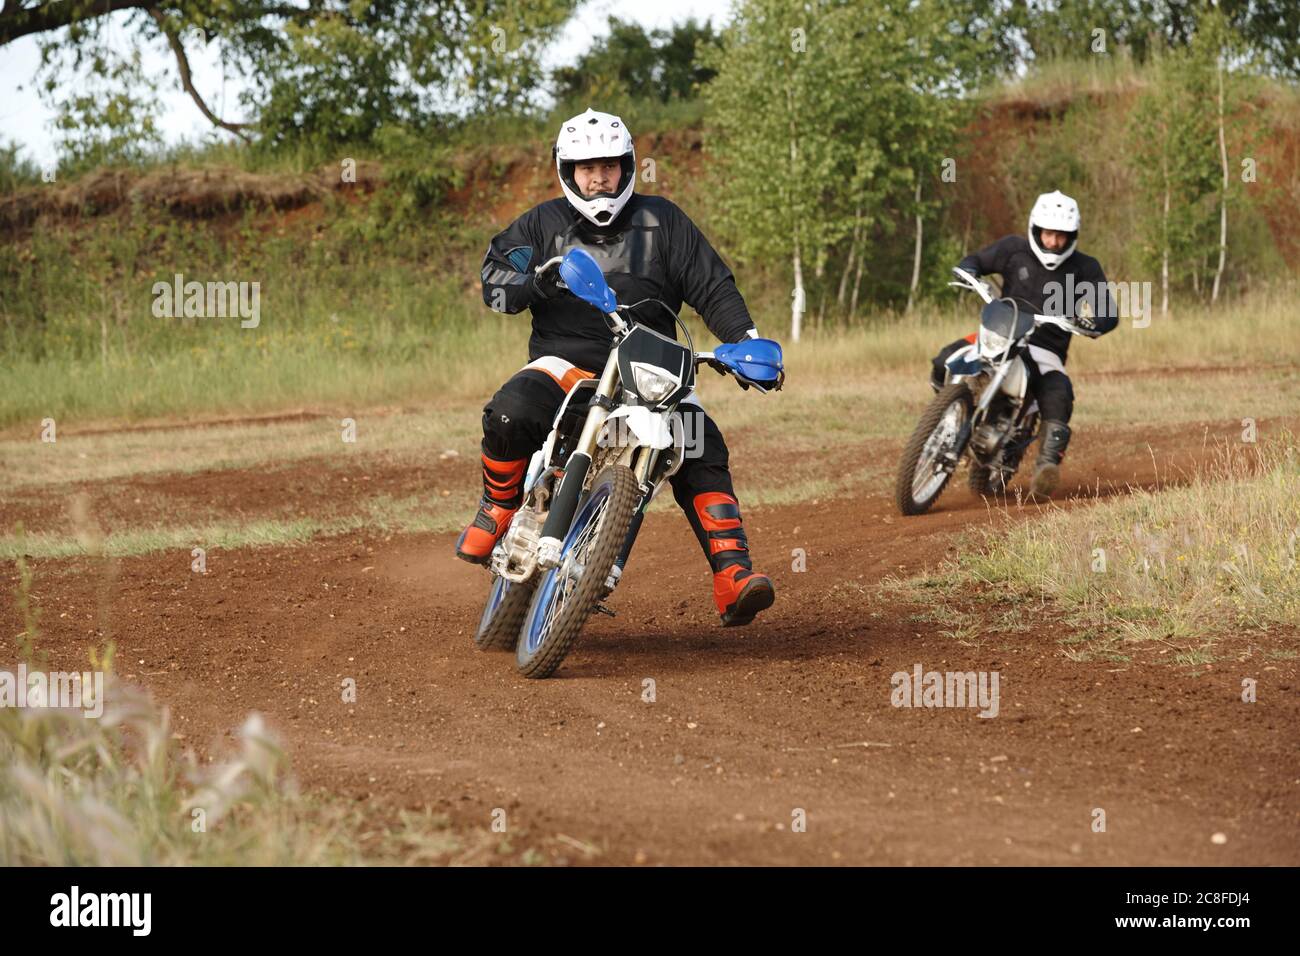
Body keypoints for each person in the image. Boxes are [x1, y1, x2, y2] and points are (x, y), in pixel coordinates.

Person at [456, 108, 776, 627]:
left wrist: (747, 344)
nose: (598, 178)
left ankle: (732, 574)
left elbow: (713, 287)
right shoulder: (541, 224)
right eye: (586, 168)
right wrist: (536, 281)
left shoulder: (664, 220)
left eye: (608, 165)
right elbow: (495, 280)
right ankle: (496, 508)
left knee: (701, 443)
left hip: (652, 369)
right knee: (511, 412)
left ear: (627, 166)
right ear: (568, 171)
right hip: (566, 363)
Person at [931, 190, 1117, 496]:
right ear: (1035, 228)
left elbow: (1108, 312)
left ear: (1073, 236)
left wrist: (1095, 322)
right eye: (1048, 233)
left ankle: (1046, 467)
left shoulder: (1085, 268)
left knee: (1059, 392)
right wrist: (969, 271)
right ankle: (946, 421)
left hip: (1045, 348)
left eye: (1061, 235)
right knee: (944, 360)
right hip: (1000, 334)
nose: (1053, 242)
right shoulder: (1013, 249)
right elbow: (976, 260)